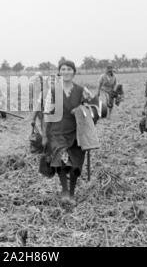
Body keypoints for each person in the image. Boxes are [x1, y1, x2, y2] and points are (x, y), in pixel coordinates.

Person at [41, 60, 94, 202]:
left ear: (74, 72)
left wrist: (85, 105)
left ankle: (72, 192)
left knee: (75, 164)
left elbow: (92, 110)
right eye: (63, 69)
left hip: (77, 132)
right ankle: (64, 190)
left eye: (69, 69)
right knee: (61, 161)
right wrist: (45, 135)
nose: (66, 72)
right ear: (59, 72)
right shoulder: (53, 91)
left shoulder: (81, 90)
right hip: (57, 132)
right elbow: (47, 113)